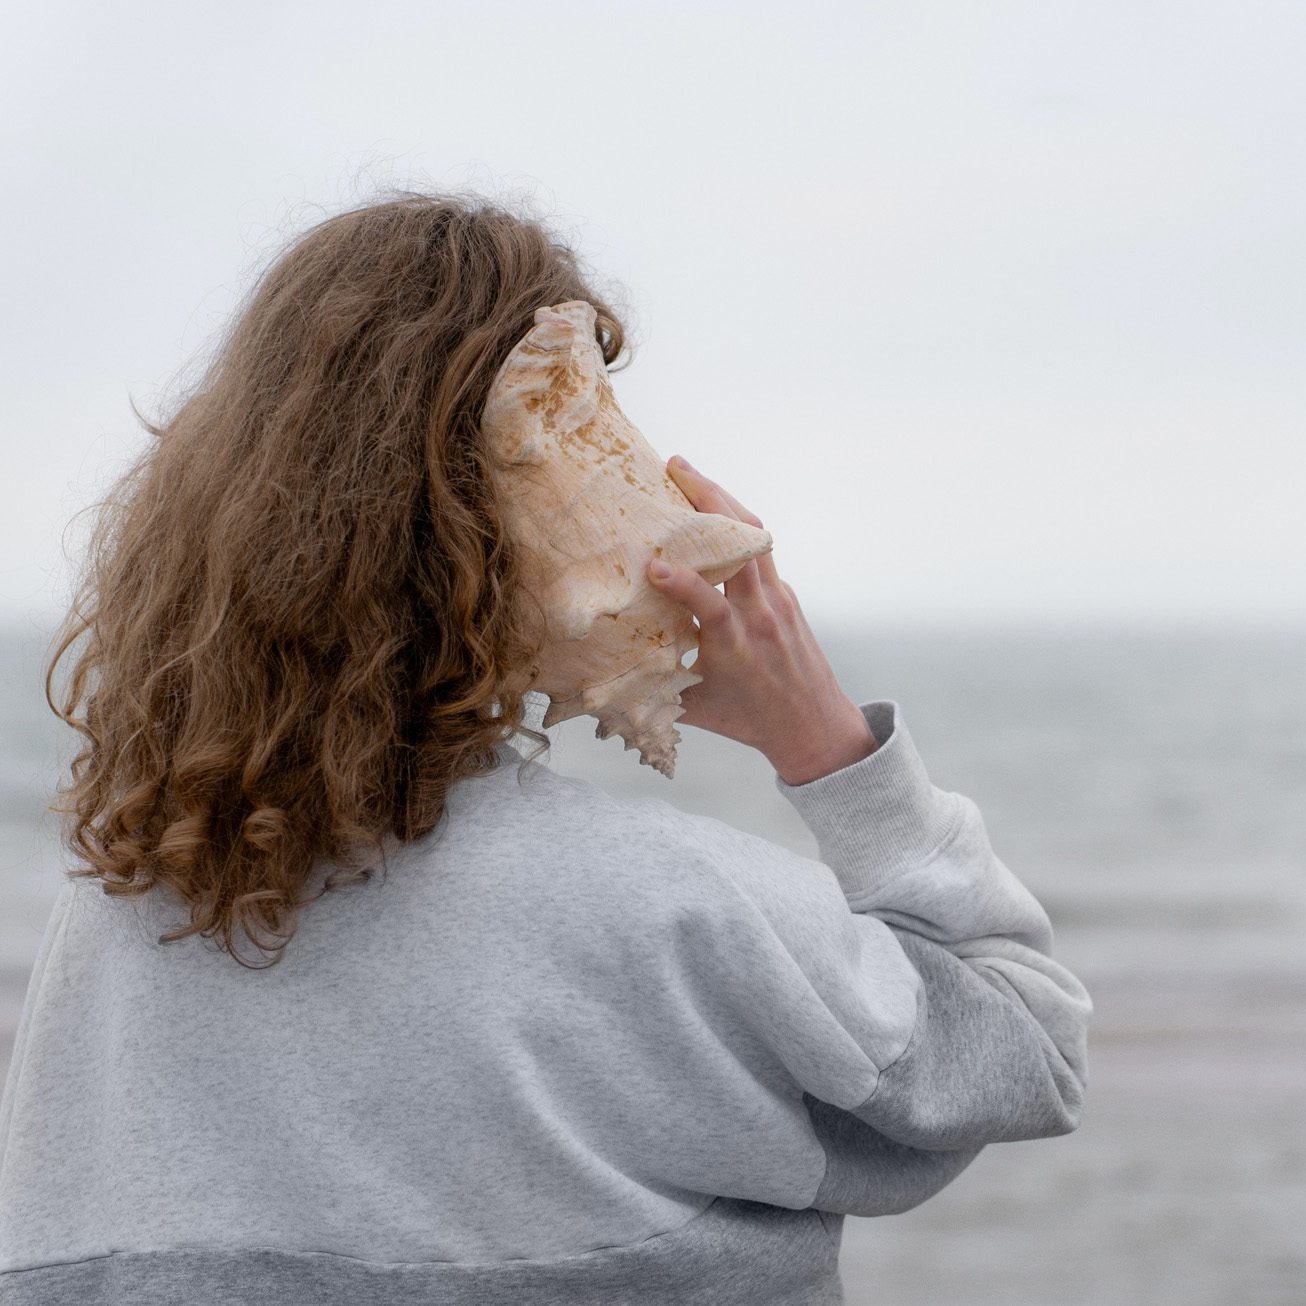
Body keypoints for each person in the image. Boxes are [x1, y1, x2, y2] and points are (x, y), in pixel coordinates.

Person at [0, 192, 1092, 1306]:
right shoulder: (664, 910)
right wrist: (827, 744)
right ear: (511, 494)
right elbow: (1023, 1049)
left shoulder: (122, 911)